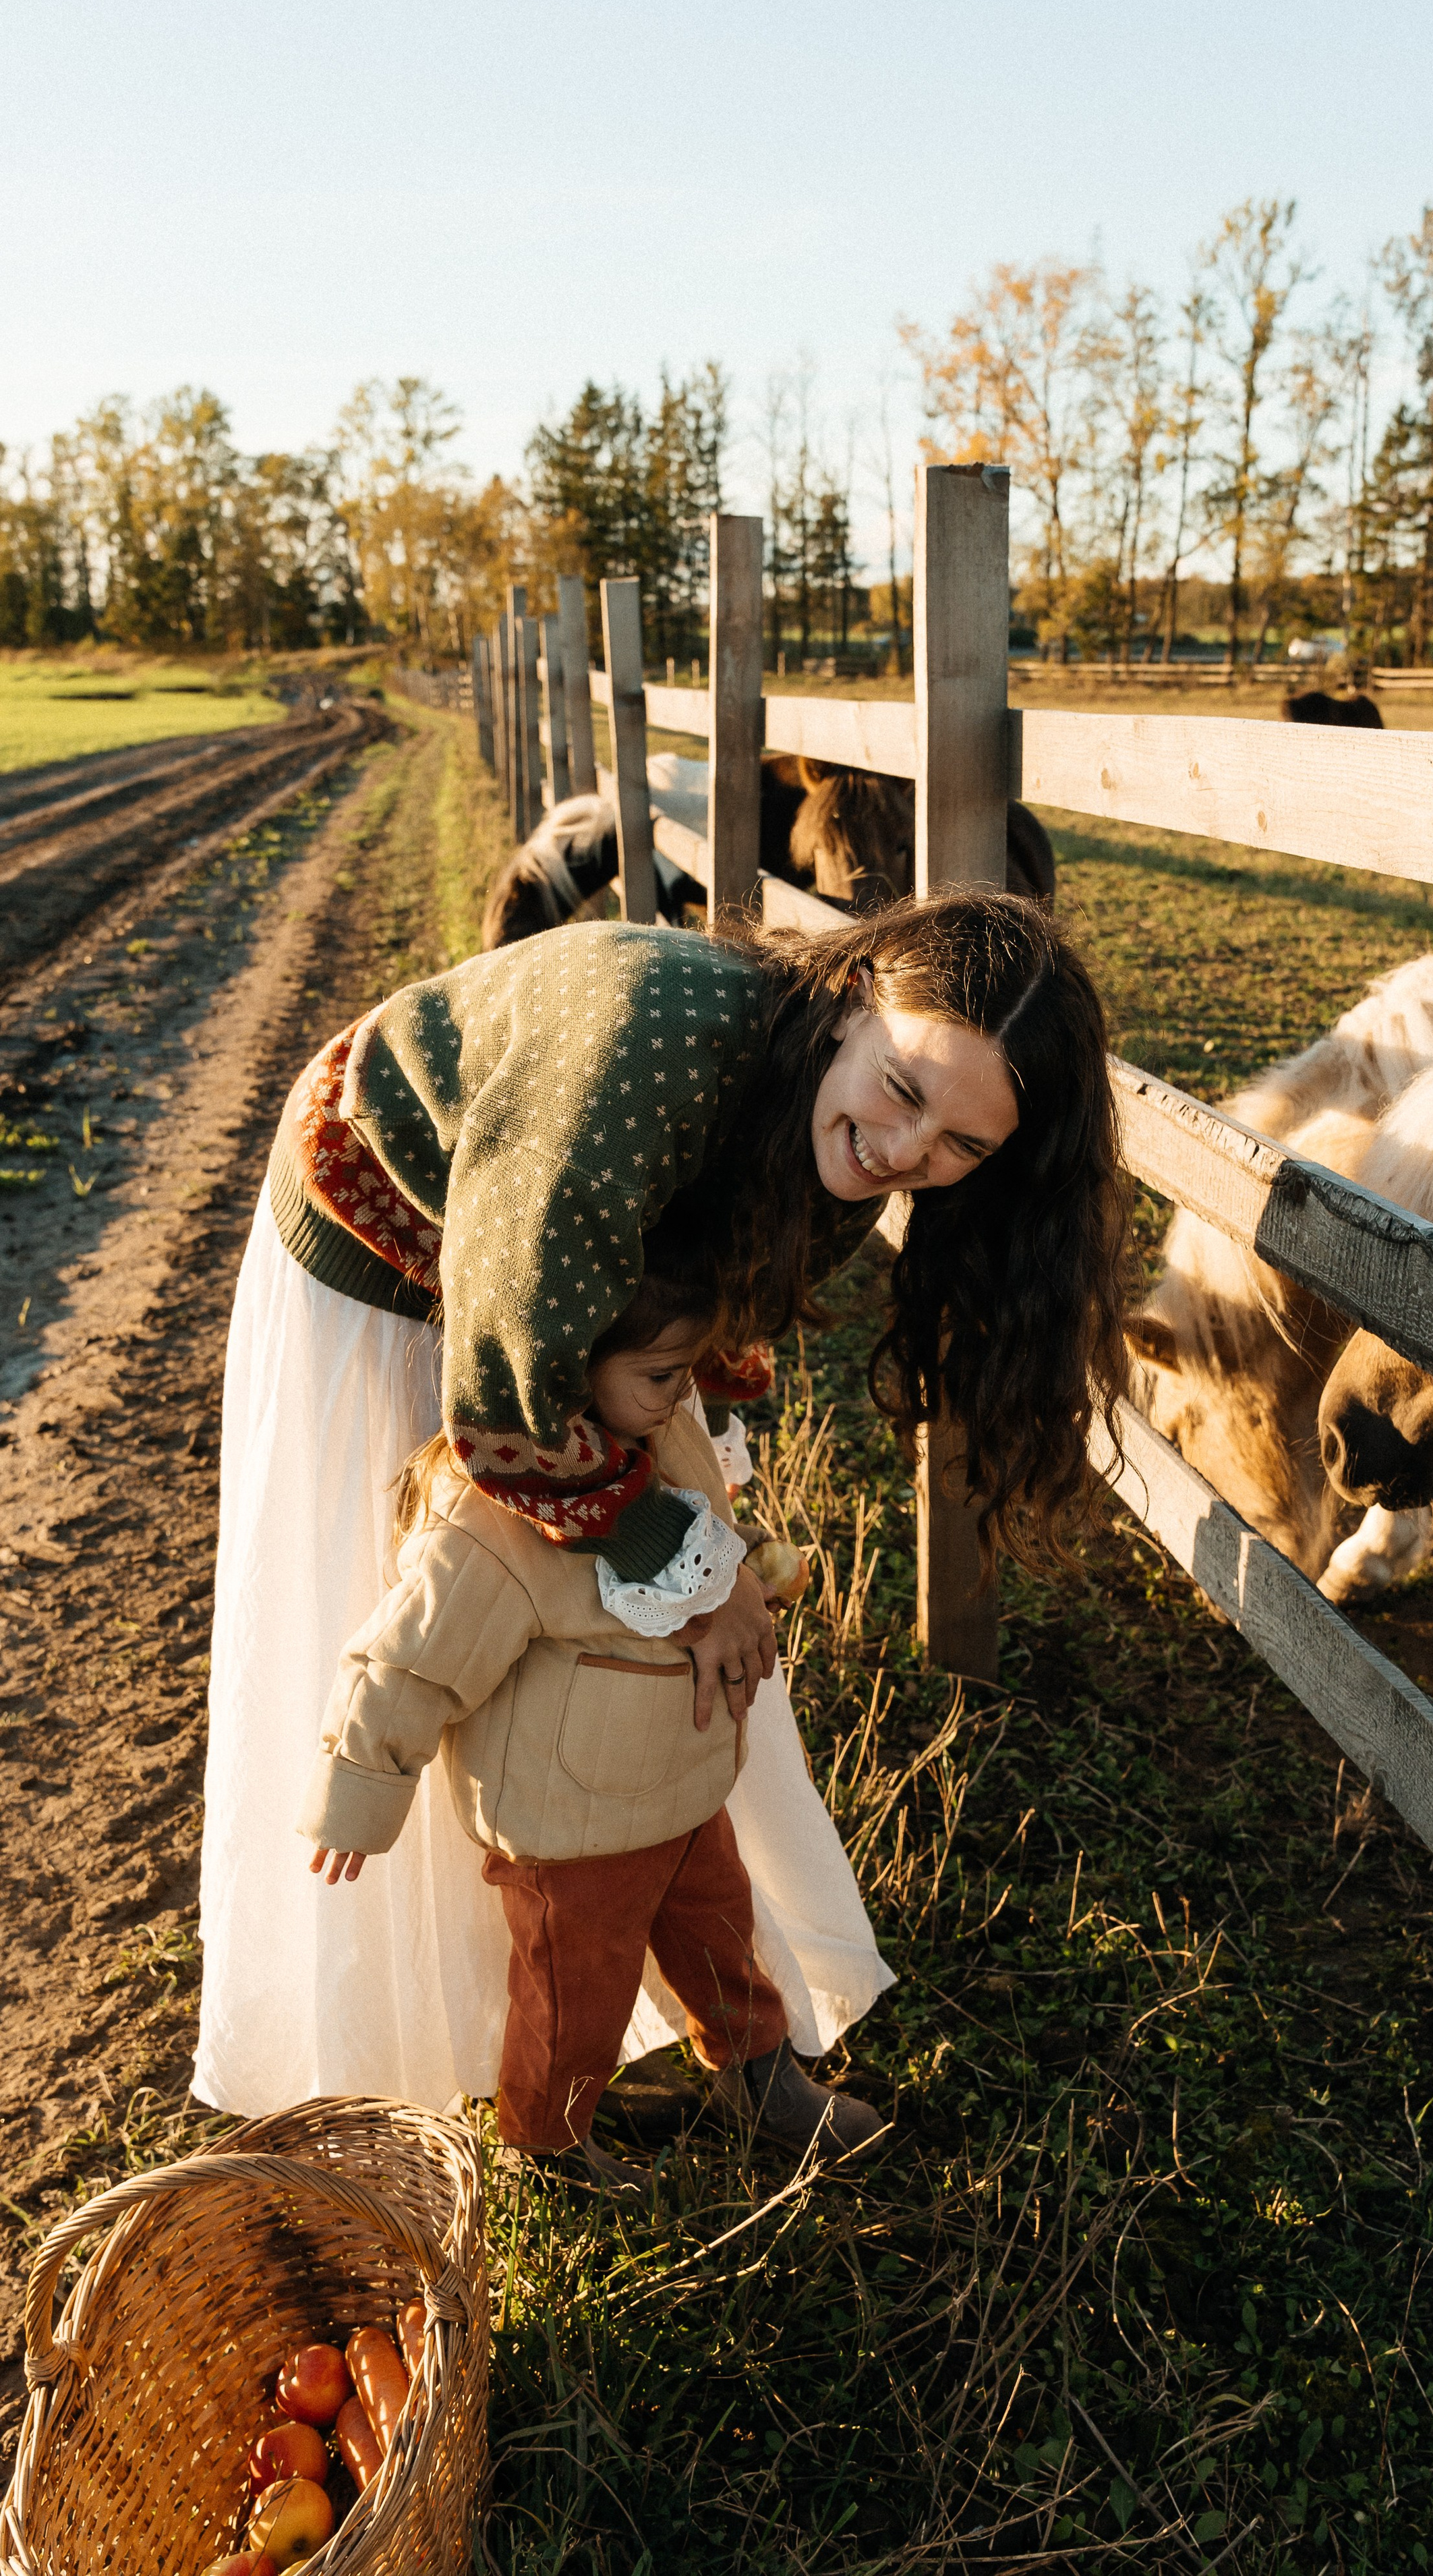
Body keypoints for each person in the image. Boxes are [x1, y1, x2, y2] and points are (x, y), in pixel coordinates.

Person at [194, 890, 1132, 2125]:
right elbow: (514, 1411)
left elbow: (697, 1333)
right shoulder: (635, 1047)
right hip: (390, 1243)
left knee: (635, 1639)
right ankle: (447, 2050)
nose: (908, 1156)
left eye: (963, 1146)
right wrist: (689, 1568)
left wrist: (700, 1535)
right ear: (853, 1005)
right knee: (455, 1603)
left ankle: (694, 2014)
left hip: (547, 1261)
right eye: (906, 1093)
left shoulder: (845, 1139)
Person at [299, 1269, 881, 2183]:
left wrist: (745, 1578)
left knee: (723, 1938)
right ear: (562, 1370)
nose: (682, 1391)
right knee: (574, 1996)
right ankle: (549, 2140)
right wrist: (356, 1792)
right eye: (661, 1372)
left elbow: (698, 1541)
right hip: (571, 1829)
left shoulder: (663, 1435)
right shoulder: (490, 1522)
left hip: (686, 1790)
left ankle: (758, 2075)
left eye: (687, 1369)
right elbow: (408, 1662)